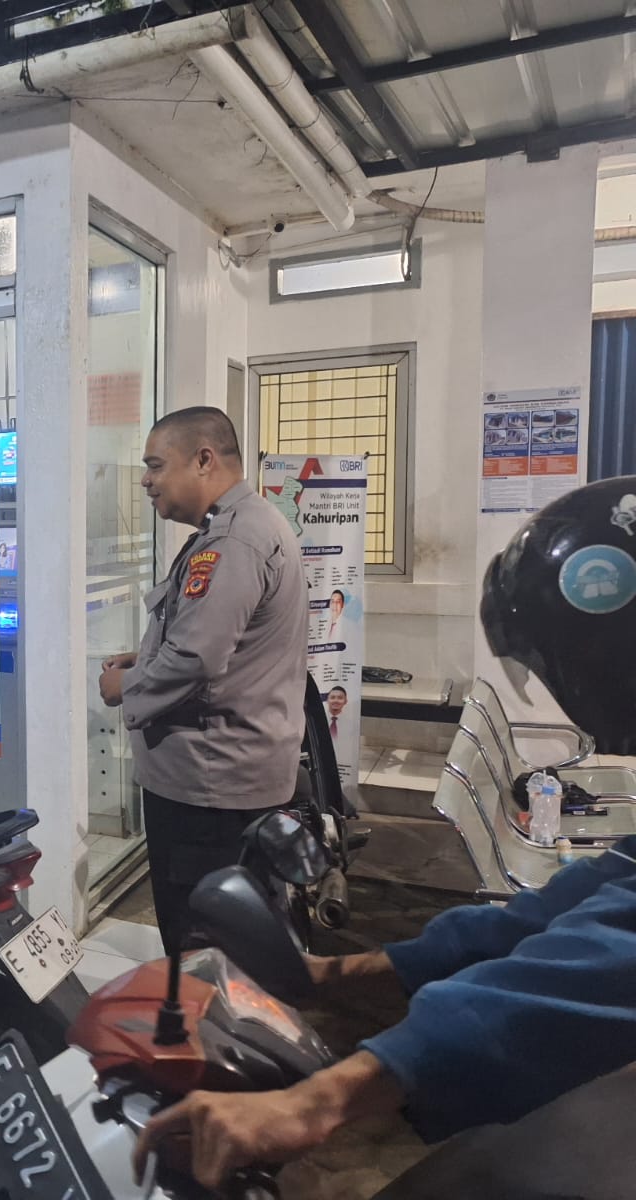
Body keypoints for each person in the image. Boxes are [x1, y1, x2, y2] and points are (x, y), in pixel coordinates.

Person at [134, 476, 636, 1195]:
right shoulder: (235, 534)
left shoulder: (241, 537)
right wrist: (346, 973)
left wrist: (320, 1101)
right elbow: (566, 907)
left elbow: (598, 962)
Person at [99, 407, 306, 953]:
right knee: (236, 936)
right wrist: (145, 655)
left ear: (204, 460)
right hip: (228, 779)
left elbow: (195, 657)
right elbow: (219, 639)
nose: (145, 481)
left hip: (211, 791)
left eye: (155, 466)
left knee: (205, 947)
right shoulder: (244, 525)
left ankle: (208, 1011)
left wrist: (127, 688)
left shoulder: (232, 542)